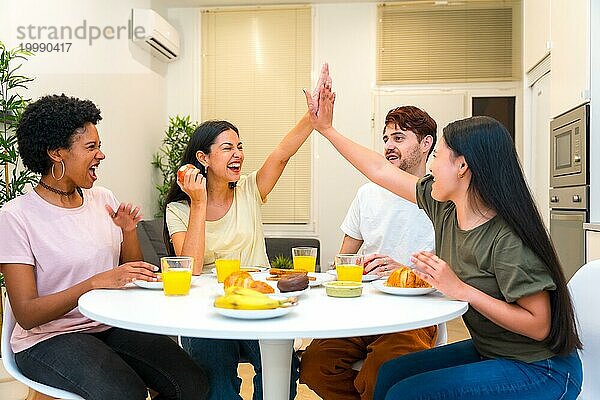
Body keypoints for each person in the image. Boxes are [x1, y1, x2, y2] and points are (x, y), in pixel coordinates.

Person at [305, 80, 583, 399]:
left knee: (406, 393)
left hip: (541, 368)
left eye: (437, 156)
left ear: (462, 166)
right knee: (390, 374)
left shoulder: (507, 238)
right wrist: (326, 129)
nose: (432, 166)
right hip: (491, 349)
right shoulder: (445, 209)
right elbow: (379, 169)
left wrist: (459, 288)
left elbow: (539, 325)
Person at [0, 94, 208, 400]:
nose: (101, 155)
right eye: (91, 147)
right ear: (57, 153)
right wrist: (95, 283)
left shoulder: (104, 200)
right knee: (126, 394)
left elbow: (130, 273)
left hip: (107, 324)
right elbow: (28, 313)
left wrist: (129, 232)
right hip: (48, 338)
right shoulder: (16, 217)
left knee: (192, 383)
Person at [163, 65, 331, 400]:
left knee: (280, 379)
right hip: (210, 308)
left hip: (262, 301)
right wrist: (198, 203)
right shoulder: (179, 210)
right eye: (227, 147)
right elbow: (191, 267)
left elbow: (282, 155)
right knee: (217, 387)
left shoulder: (250, 190)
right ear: (203, 158)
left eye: (240, 146)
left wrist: (312, 118)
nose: (238, 153)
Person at [299, 105, 437, 400]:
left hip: (413, 315)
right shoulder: (368, 193)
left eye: (399, 138)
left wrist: (404, 271)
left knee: (379, 373)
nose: (389, 146)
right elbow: (341, 261)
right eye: (386, 139)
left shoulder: (441, 197)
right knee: (313, 366)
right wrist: (353, 267)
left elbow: (453, 271)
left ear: (426, 143)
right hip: (363, 309)